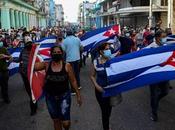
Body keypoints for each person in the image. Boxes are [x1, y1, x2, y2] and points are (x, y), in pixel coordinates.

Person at [34, 46, 82, 130]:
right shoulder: (46, 64)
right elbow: (32, 67)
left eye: (59, 52)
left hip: (64, 97)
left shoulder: (67, 66)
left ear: (62, 53)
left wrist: (78, 95)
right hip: (50, 97)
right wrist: (33, 53)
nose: (56, 54)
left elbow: (73, 81)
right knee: (56, 120)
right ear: (51, 54)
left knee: (66, 123)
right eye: (54, 52)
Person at [90, 43, 121, 130]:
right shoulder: (96, 61)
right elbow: (92, 76)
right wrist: (97, 86)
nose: (109, 51)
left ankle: (106, 122)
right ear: (101, 51)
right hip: (101, 91)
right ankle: (106, 127)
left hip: (111, 90)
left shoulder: (114, 60)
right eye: (106, 49)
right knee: (104, 111)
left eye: (109, 49)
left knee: (109, 110)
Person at [146, 30, 169, 121]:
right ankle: (154, 113)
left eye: (165, 36)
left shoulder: (166, 47)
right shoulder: (150, 48)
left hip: (164, 74)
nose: (164, 38)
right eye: (163, 37)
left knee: (165, 92)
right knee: (154, 95)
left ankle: (156, 100)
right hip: (154, 75)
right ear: (157, 38)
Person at [18, 35, 38, 115]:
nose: (29, 45)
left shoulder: (35, 50)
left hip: (33, 75)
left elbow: (39, 60)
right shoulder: (22, 51)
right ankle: (34, 100)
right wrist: (10, 58)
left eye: (30, 43)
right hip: (25, 75)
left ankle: (33, 107)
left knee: (32, 92)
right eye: (27, 43)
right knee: (30, 92)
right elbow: (19, 60)